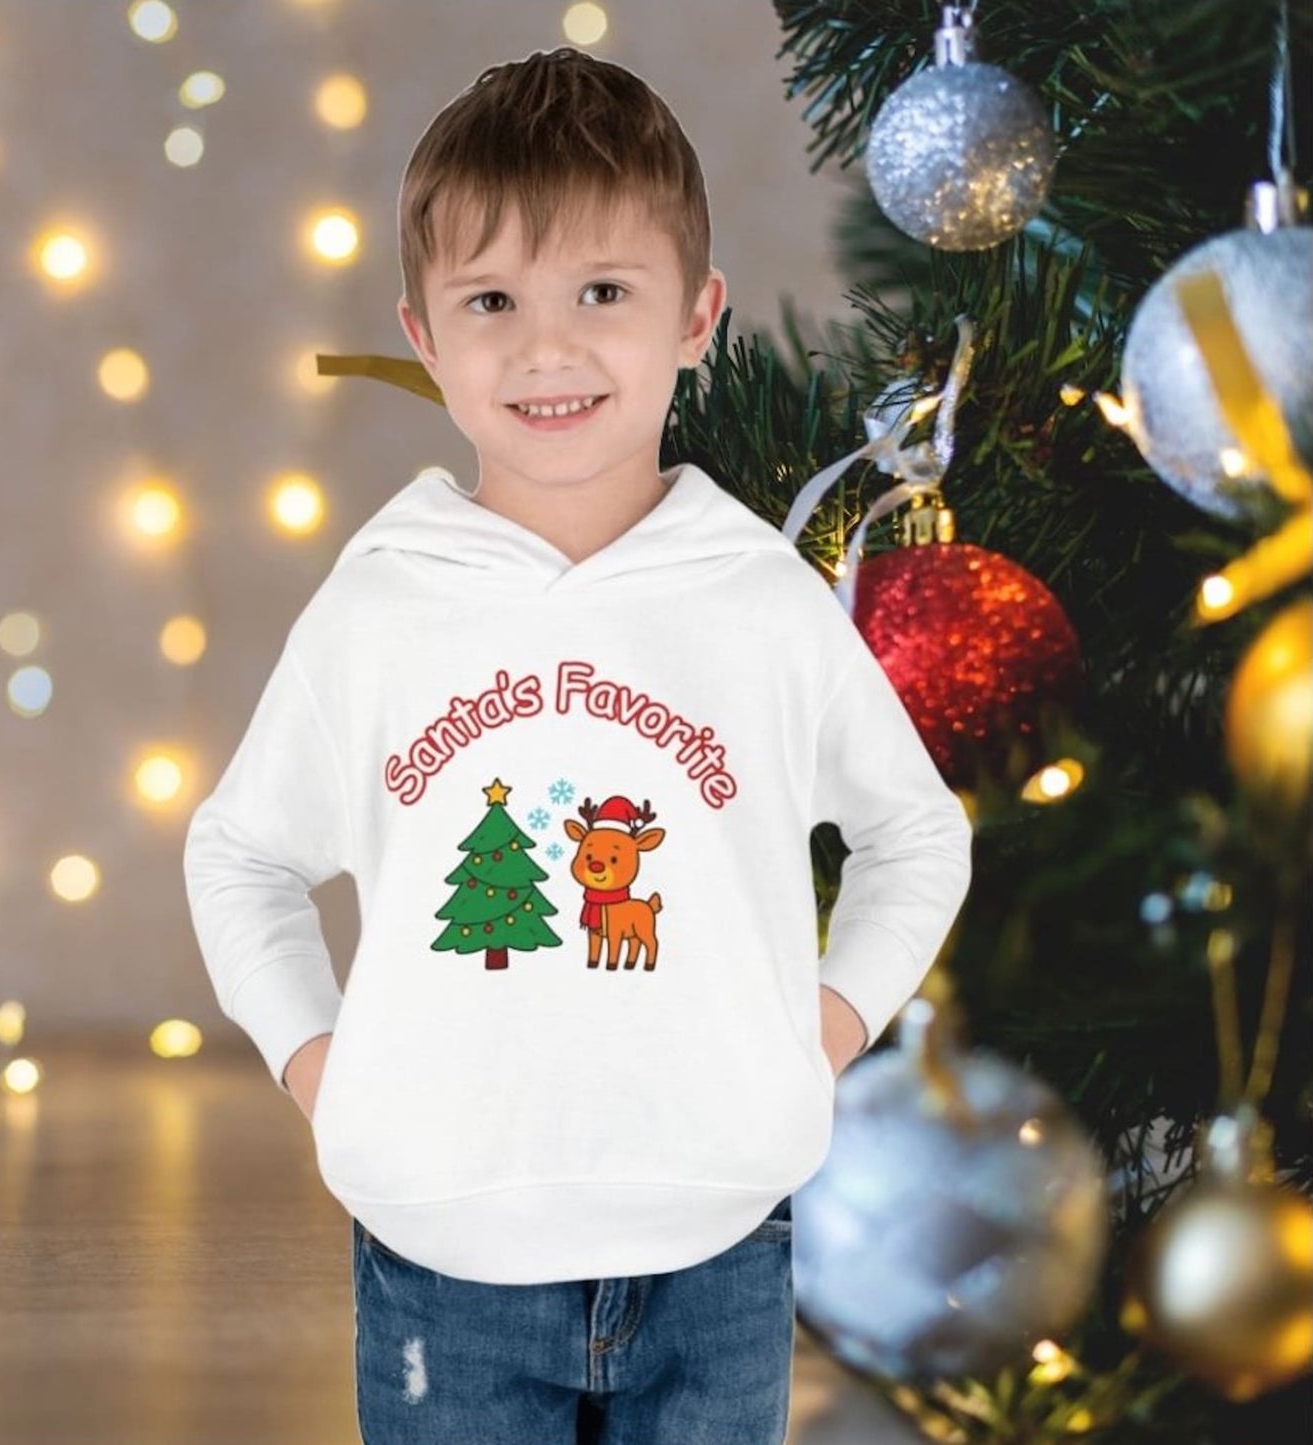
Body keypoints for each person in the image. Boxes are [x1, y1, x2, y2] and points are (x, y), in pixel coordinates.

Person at [183, 45, 973, 1445]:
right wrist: (321, 1062)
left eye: (601, 292)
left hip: (718, 1248)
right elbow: (240, 852)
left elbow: (916, 831)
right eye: (491, 301)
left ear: (695, 317)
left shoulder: (757, 599)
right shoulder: (382, 601)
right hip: (445, 1259)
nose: (546, 350)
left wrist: (827, 1026)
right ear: (423, 333)